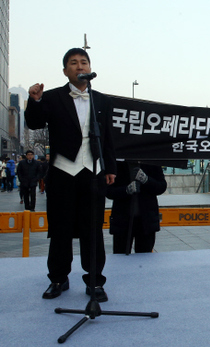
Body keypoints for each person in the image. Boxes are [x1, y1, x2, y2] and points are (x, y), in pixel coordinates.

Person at [25, 48, 117, 302]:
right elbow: (34, 123)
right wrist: (34, 101)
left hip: (93, 172)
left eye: (83, 62)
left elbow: (108, 137)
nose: (79, 66)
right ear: (65, 70)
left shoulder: (102, 100)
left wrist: (110, 168)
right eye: (73, 63)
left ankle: (95, 282)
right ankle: (58, 278)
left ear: (90, 67)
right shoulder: (52, 97)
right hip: (63, 171)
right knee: (60, 229)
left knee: (93, 230)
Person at [106, 161, 167, 254]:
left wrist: (146, 180)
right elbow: (109, 191)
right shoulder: (117, 163)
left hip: (146, 222)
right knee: (120, 257)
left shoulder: (151, 161)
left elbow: (161, 186)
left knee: (145, 257)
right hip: (122, 222)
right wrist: (126, 190)